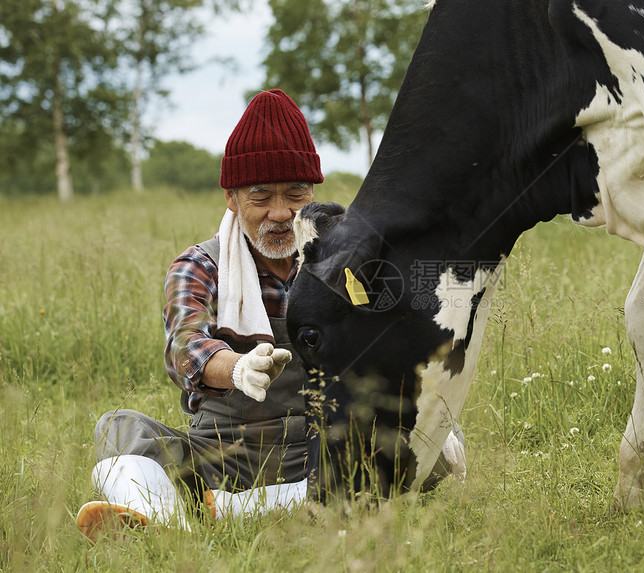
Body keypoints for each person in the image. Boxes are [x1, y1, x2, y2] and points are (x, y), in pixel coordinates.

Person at [75, 89, 466, 541]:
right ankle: (167, 524)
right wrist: (237, 368)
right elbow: (185, 348)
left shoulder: (350, 258)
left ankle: (218, 513)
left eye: (295, 194)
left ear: (312, 190)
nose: (280, 214)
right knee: (119, 427)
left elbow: (406, 343)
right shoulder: (199, 265)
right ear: (231, 198)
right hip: (223, 454)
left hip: (327, 446)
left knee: (428, 439)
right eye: (260, 197)